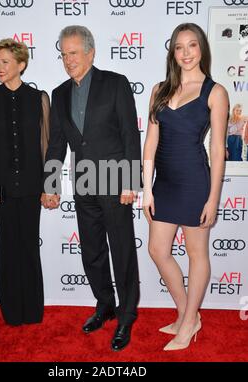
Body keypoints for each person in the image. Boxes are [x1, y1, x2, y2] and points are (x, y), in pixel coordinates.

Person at [41, 25, 141, 351]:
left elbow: (129, 134)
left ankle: (126, 315)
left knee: (123, 251)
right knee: (92, 251)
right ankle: (105, 304)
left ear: (90, 52)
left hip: (115, 182)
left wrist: (130, 181)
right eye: (64, 54)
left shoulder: (115, 84)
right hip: (83, 185)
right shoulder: (59, 93)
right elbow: (57, 144)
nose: (68, 60)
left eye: (74, 53)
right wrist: (50, 184)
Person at [143, 23, 228, 351]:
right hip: (162, 183)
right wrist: (146, 188)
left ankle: (190, 318)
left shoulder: (215, 92)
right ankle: (186, 314)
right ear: (173, 53)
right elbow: (150, 142)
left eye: (192, 45)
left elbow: (217, 150)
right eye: (179, 47)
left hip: (195, 182)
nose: (186, 52)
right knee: (157, 250)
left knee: (196, 253)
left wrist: (213, 198)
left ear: (202, 49)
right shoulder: (159, 90)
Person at [0, 38, 50, 326]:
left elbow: (46, 146)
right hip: (1, 187)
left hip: (32, 186)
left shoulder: (39, 98)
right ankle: (12, 313)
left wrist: (49, 186)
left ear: (21, 64)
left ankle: (32, 311)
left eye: (5, 62)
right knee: (8, 248)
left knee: (29, 247)